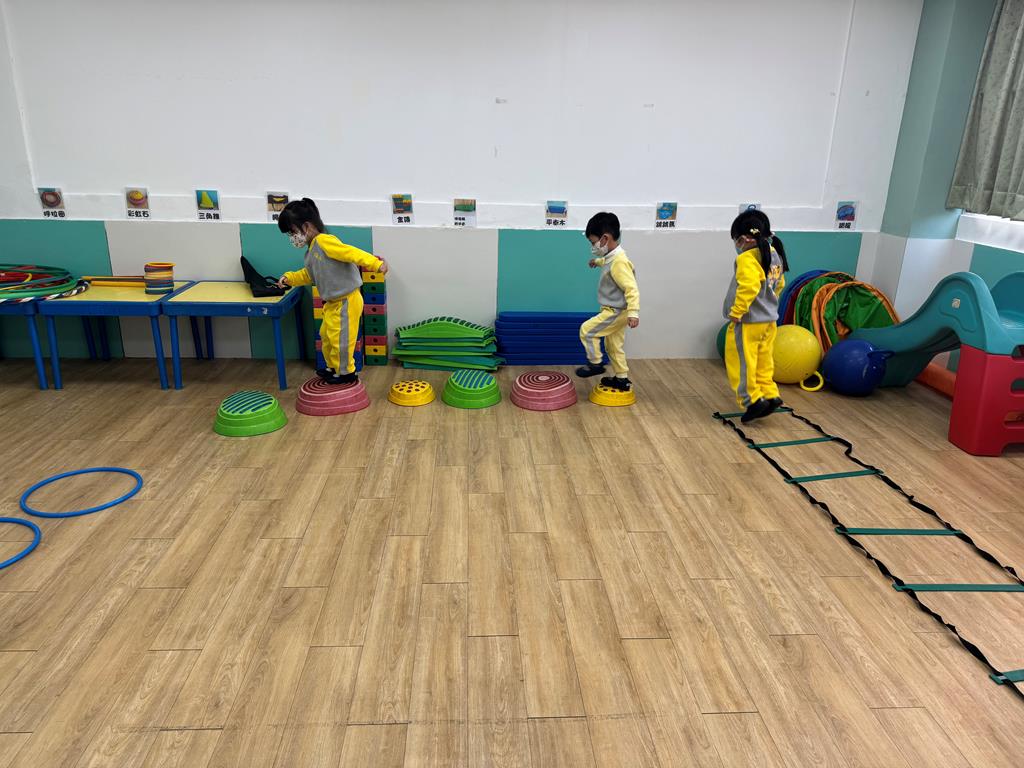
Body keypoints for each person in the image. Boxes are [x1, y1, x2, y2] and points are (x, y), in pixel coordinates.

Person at [276, 198, 387, 384]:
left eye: (293, 232)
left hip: (347, 300)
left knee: (341, 340)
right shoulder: (311, 252)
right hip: (332, 303)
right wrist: (290, 278)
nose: (292, 237)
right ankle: (333, 367)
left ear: (306, 226)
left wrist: (375, 264)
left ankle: (346, 372)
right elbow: (309, 275)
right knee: (327, 337)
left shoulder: (324, 242)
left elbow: (351, 252)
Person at [723, 209, 789, 422]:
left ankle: (752, 400)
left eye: (736, 240)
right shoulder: (774, 254)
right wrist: (769, 306)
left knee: (742, 362)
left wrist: (737, 312)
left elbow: (749, 286)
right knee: (763, 360)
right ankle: (769, 394)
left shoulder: (747, 258)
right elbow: (780, 284)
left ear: (743, 239)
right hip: (769, 320)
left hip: (749, 322)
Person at [575, 212, 639, 391]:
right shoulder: (613, 257)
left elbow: (631, 288)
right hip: (617, 310)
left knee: (587, 331)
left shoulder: (619, 262)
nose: (592, 246)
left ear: (605, 238)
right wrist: (597, 261)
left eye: (593, 242)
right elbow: (607, 260)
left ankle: (595, 363)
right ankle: (621, 379)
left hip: (615, 311)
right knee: (613, 346)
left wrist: (634, 313)